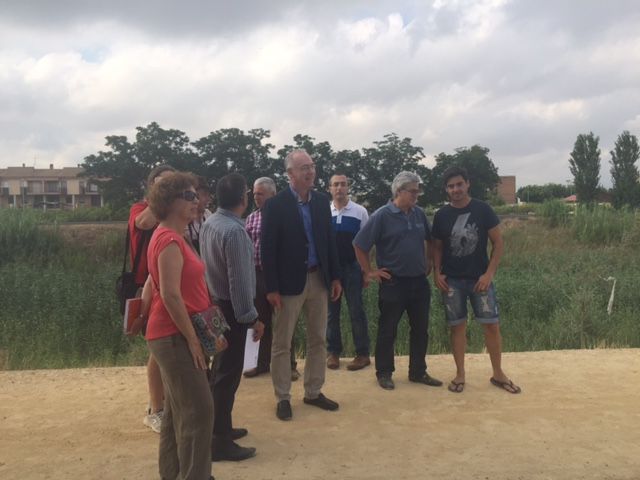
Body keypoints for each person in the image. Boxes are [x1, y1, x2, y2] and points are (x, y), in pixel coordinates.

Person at [144, 171, 226, 480]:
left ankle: (173, 474)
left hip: (171, 334)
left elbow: (155, 286)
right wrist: (193, 340)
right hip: (174, 336)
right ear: (171, 201)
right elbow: (170, 295)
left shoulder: (173, 236)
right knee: (200, 412)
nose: (197, 201)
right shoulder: (168, 238)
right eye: (190, 196)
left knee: (177, 414)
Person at [261, 149, 342, 421]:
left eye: (312, 166)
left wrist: (336, 277)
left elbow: (329, 241)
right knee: (282, 343)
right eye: (304, 167)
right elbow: (267, 249)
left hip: (319, 279)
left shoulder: (321, 202)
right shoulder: (275, 205)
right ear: (290, 174)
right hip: (287, 285)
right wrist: (271, 288)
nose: (310, 171)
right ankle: (283, 396)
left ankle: (313, 391)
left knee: (318, 339)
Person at [431, 166, 521, 394]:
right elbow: (437, 247)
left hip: (480, 280)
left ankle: (498, 373)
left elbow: (498, 243)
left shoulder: (483, 209)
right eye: (451, 186)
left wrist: (489, 274)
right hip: (451, 281)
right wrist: (437, 272)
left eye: (459, 184)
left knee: (491, 325)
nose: (456, 189)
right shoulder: (441, 215)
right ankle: (460, 374)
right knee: (457, 327)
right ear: (446, 189)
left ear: (467, 184)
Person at [353, 171, 443, 391]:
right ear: (399, 191)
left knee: (421, 329)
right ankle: (384, 373)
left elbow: (431, 239)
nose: (417, 195)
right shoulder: (382, 216)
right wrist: (370, 271)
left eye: (417, 191)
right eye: (413, 191)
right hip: (393, 283)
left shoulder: (419, 214)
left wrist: (430, 260)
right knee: (388, 329)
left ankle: (418, 371)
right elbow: (360, 245)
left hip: (418, 282)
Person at [200, 173, 265, 461]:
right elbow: (239, 284)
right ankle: (219, 441)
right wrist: (252, 319)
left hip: (215, 304)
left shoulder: (210, 222)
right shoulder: (235, 232)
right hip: (231, 311)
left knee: (219, 373)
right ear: (244, 198)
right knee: (226, 377)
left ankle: (219, 427)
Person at [128, 164, 175, 433]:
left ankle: (162, 402)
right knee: (157, 350)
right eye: (161, 183)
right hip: (147, 287)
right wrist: (163, 196)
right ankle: (155, 408)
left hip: (165, 281)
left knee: (166, 347)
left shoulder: (172, 212)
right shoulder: (140, 208)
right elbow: (143, 223)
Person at [243, 177, 301, 381]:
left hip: (280, 275)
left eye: (260, 193)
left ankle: (290, 365)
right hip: (257, 274)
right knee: (258, 320)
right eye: (254, 193)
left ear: (272, 195)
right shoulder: (251, 218)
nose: (256, 197)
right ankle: (256, 363)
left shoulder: (288, 217)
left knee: (285, 322)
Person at [326, 173, 371, 371]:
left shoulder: (360, 212)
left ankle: (362, 354)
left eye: (343, 184)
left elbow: (367, 244)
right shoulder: (324, 212)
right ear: (330, 188)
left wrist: (366, 270)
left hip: (353, 268)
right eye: (336, 185)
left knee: (356, 311)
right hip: (331, 271)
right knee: (331, 313)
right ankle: (333, 353)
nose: (339, 188)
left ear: (348, 187)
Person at [185, 176, 212, 255]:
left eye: (208, 195)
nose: (208, 199)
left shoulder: (208, 214)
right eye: (204, 195)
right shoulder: (183, 220)